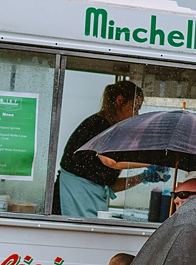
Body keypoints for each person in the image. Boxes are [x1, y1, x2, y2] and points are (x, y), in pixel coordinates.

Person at [53, 81, 151, 218]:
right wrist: (152, 161)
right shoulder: (99, 126)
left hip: (87, 200)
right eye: (135, 108)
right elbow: (111, 162)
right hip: (71, 198)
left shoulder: (113, 131)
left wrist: (143, 177)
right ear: (119, 100)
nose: (136, 114)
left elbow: (108, 185)